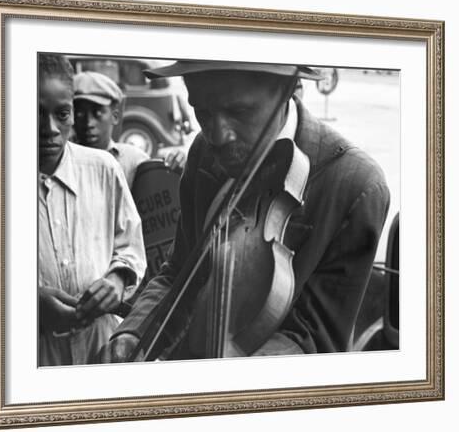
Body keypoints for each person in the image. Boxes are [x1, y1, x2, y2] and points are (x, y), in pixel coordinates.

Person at [98, 61, 391, 362]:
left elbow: (314, 340)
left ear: (288, 90)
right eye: (203, 111)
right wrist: (133, 333)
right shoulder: (203, 152)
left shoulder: (355, 185)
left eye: (240, 113)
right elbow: (179, 271)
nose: (217, 135)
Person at [38, 54, 146, 366]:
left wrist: (116, 281)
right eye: (34, 113)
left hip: (102, 348)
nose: (50, 129)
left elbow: (131, 248)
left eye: (62, 114)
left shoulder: (103, 168)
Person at [73, 71, 186, 187]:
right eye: (79, 114)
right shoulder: (65, 163)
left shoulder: (134, 161)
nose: (89, 123)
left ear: (115, 116)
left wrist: (178, 167)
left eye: (98, 113)